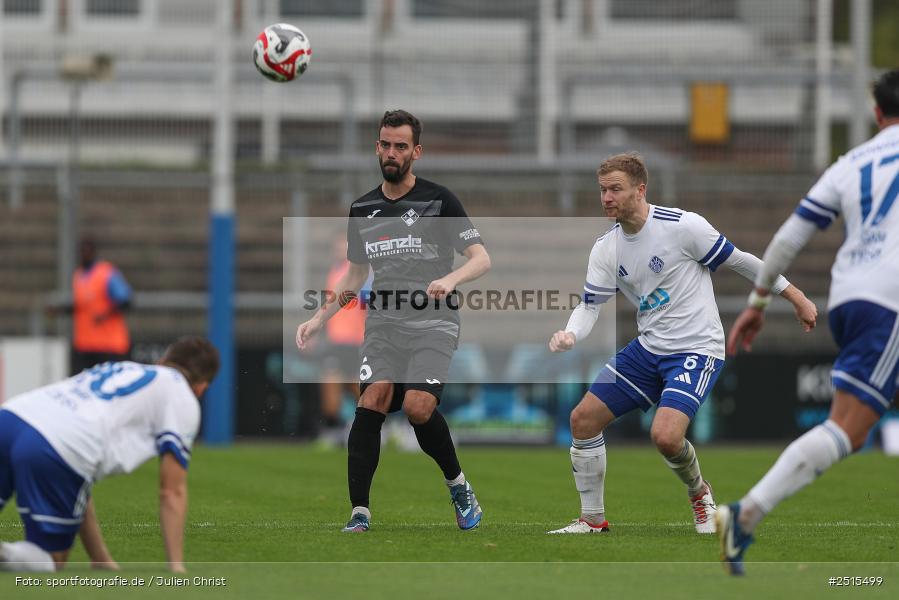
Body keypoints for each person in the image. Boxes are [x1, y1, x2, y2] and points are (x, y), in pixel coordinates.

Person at [546, 152, 817, 535]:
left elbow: (742, 262)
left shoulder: (683, 227)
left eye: (615, 190)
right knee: (582, 420)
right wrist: (571, 332)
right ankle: (592, 520)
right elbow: (590, 306)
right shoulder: (606, 248)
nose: (606, 198)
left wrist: (797, 297)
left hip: (696, 347)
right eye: (603, 190)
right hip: (649, 348)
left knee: (666, 436)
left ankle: (700, 494)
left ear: (640, 190)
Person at [718, 69, 899, 575]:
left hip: (850, 298)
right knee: (847, 428)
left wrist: (757, 303)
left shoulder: (851, 163)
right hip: (892, 300)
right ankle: (745, 512)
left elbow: (788, 239)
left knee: (853, 428)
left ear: (876, 112)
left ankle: (745, 513)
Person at [296, 109, 491, 532]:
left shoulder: (440, 201)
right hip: (383, 323)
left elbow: (481, 258)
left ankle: (458, 484)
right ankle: (360, 512)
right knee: (372, 401)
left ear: (416, 152)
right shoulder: (362, 208)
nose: (391, 152)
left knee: (418, 407)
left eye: (400, 146)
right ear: (377, 146)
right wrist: (318, 318)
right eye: (385, 144)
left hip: (434, 322)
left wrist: (451, 278)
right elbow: (354, 274)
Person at [0, 336, 219, 572]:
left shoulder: (123, 368)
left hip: (11, 418)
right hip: (54, 443)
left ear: (162, 360)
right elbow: (172, 490)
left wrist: (100, 557)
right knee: (52, 558)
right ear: (201, 388)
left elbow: (78, 485)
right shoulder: (182, 397)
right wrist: (176, 566)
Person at [50, 236, 133, 375]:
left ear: (94, 252)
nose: (84, 254)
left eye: (87, 251)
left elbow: (126, 301)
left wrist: (105, 314)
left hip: (109, 346)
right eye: (81, 251)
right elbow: (81, 307)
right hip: (85, 345)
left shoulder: (106, 273)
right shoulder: (78, 276)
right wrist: (60, 310)